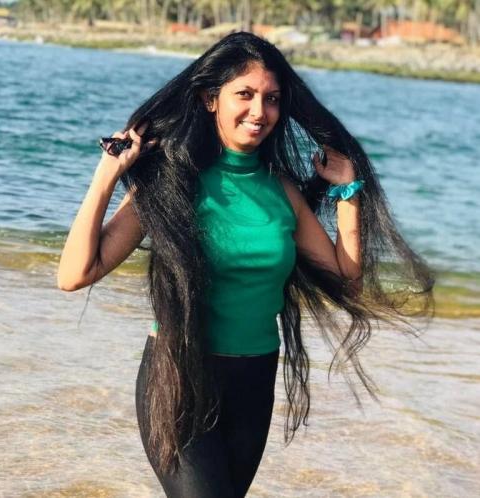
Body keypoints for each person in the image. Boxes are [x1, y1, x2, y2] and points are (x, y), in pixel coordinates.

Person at [57, 32, 434, 497]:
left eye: (271, 99)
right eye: (245, 94)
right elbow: (74, 274)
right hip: (178, 375)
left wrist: (347, 192)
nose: (259, 111)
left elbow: (346, 281)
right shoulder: (172, 182)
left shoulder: (282, 192)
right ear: (210, 99)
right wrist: (107, 175)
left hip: (254, 381)